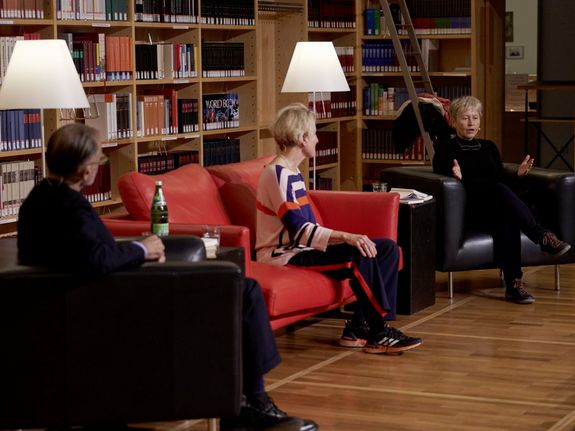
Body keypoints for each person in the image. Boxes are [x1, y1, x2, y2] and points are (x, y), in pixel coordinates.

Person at [17, 123, 318, 431]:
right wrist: (140, 249)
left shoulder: (38, 200)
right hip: (121, 305)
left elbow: (83, 254)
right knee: (245, 291)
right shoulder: (72, 208)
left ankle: (244, 403)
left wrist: (138, 249)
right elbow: (97, 259)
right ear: (84, 170)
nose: (98, 167)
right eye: (99, 160)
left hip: (91, 299)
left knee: (241, 291)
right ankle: (252, 404)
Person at [255, 103, 422, 354]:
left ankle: (358, 328)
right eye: (314, 133)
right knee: (357, 254)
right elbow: (299, 231)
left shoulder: (292, 172)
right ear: (302, 138)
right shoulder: (277, 174)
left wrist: (345, 239)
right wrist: (346, 237)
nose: (317, 139)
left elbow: (307, 228)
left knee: (386, 249)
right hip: (285, 256)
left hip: (302, 249)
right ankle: (379, 333)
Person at [432, 95, 571, 304]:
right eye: (465, 118)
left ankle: (514, 286)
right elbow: (442, 183)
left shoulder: (489, 147)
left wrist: (518, 175)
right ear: (453, 121)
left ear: (480, 121)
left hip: (495, 205)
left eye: (475, 117)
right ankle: (541, 235)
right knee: (499, 193)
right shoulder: (445, 149)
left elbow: (501, 182)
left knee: (508, 218)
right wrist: (456, 178)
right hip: (470, 208)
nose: (471, 123)